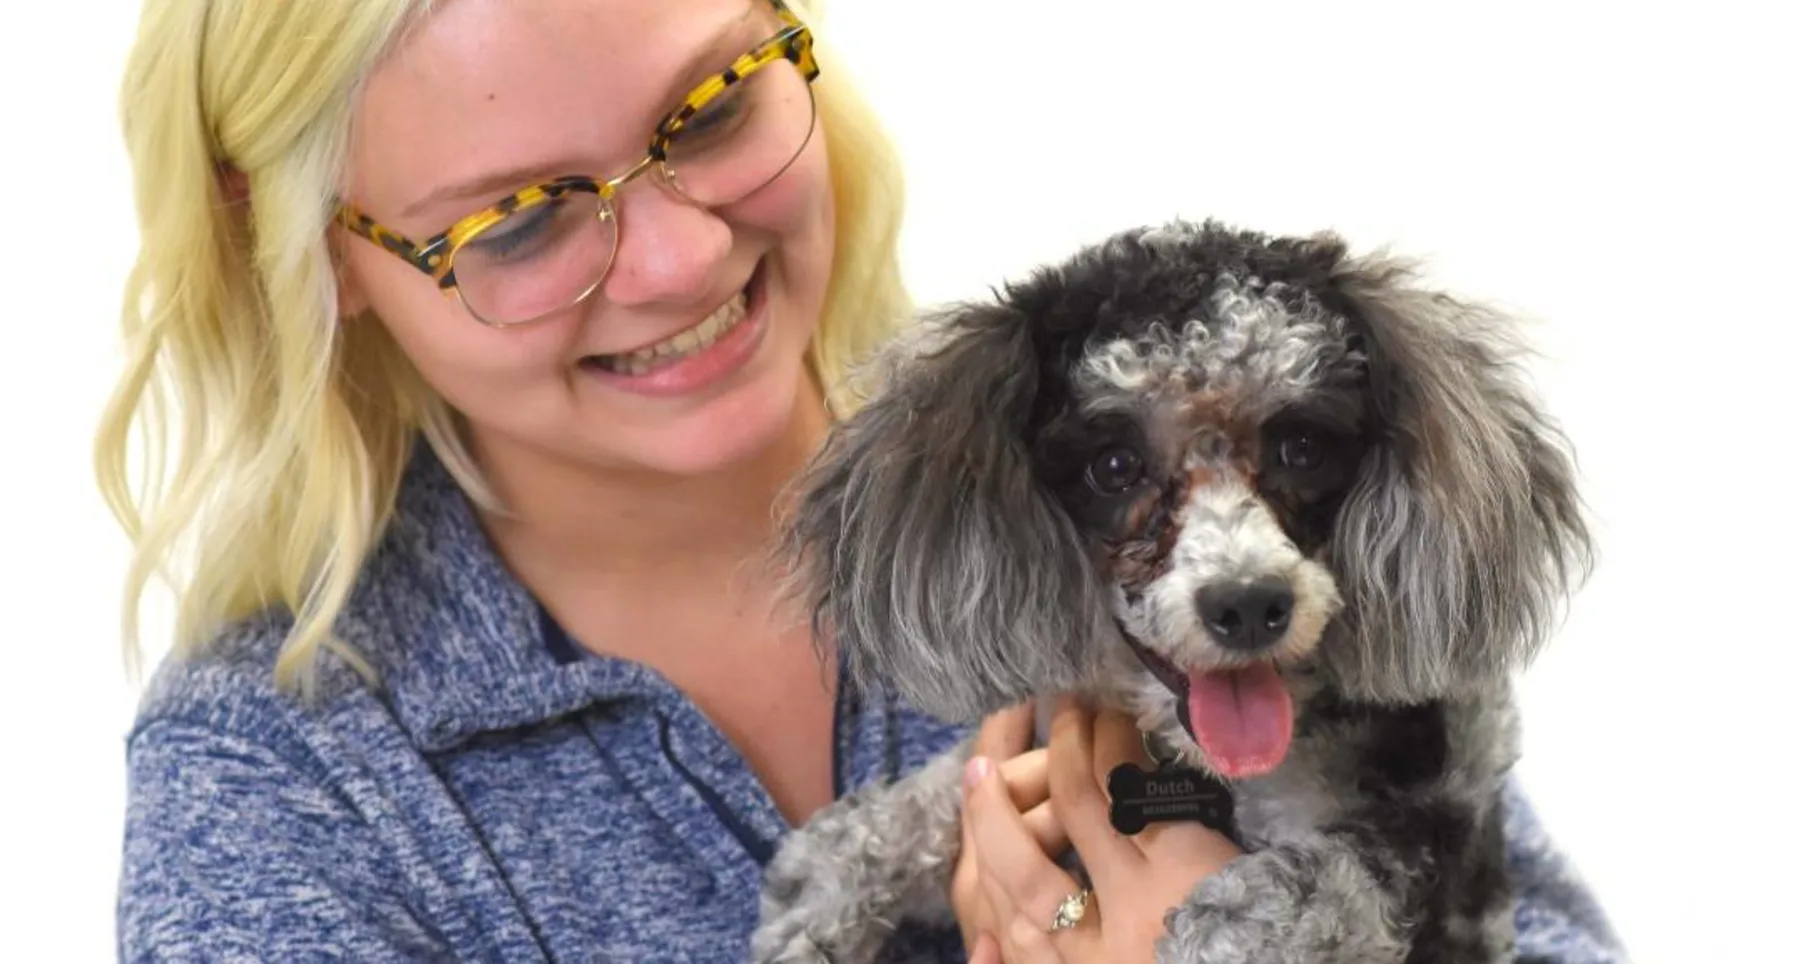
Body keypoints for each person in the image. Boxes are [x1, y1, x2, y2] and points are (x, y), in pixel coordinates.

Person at [100, 0, 1628, 960]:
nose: (686, 254)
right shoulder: (283, 785)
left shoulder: (1109, 492)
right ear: (314, 253)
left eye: (709, 112)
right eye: (515, 223)